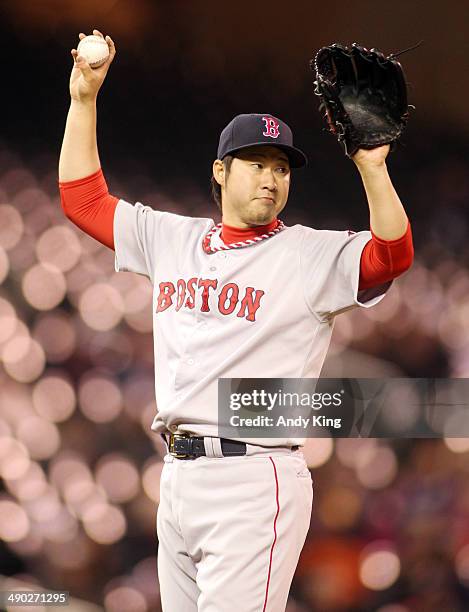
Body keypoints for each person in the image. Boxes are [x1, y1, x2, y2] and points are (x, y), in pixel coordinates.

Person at [58, 30, 414, 612]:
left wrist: (372, 167)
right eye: (256, 163)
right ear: (221, 171)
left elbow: (391, 256)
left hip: (255, 475)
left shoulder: (307, 255)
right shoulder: (172, 238)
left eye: (282, 167)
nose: (271, 178)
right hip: (176, 474)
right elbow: (83, 200)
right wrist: (83, 98)